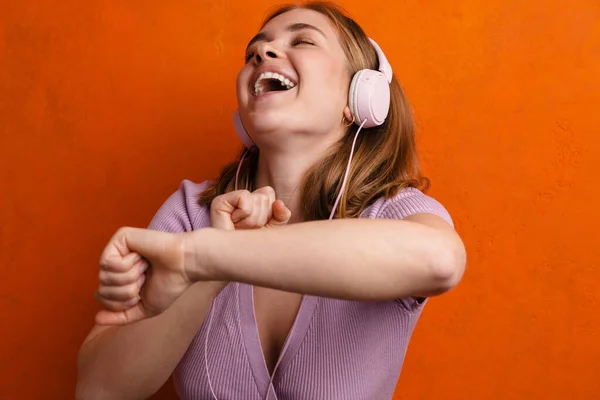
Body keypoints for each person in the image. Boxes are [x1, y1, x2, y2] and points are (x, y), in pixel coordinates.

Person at [76, 2, 466, 399]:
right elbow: (98, 391)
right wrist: (205, 278)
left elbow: (441, 260)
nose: (263, 53)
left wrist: (202, 257)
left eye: (303, 40)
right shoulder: (191, 214)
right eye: (253, 52)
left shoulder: (390, 211)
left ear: (361, 97)